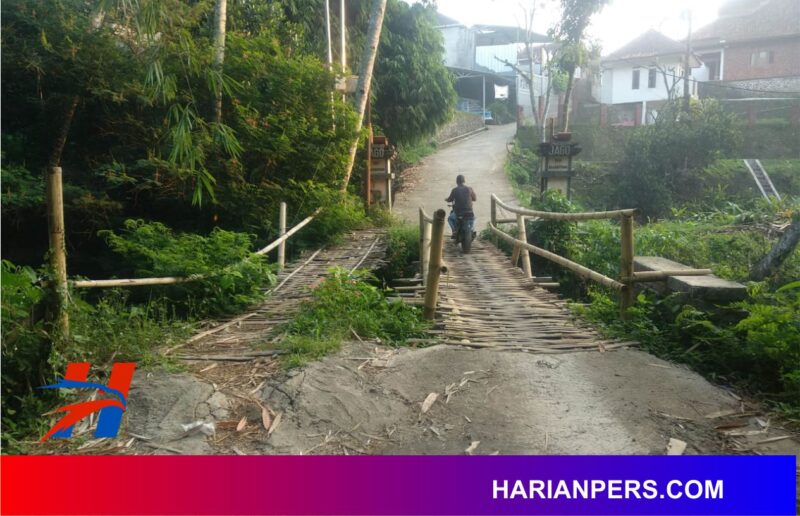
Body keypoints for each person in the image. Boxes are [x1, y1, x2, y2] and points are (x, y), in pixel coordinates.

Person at [445, 174, 476, 238]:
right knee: (474, 219)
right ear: (464, 181)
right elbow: (475, 199)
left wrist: (446, 199)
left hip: (458, 212)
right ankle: (472, 229)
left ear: (457, 182)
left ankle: (454, 231)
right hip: (469, 212)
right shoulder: (470, 189)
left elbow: (450, 199)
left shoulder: (454, 190)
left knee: (450, 219)